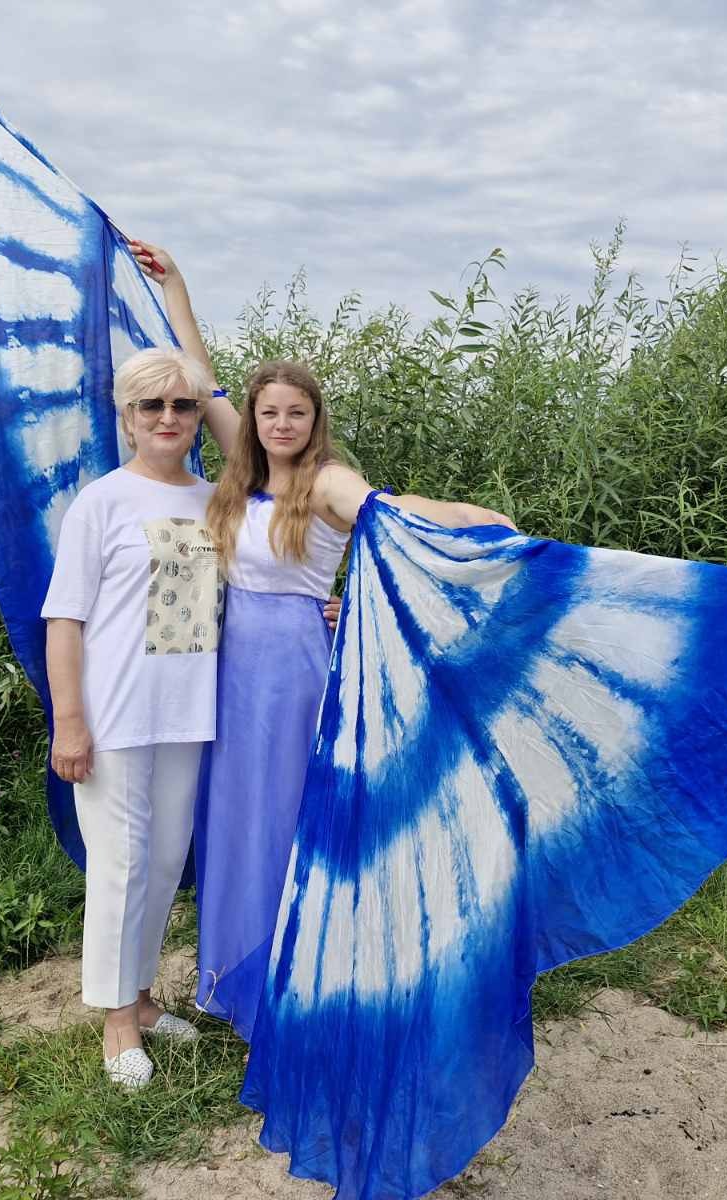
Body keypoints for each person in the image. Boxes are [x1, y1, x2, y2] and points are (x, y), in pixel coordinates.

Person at [128, 240, 514, 1041]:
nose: (280, 424)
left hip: (294, 675)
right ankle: (232, 979)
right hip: (229, 673)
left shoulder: (326, 481)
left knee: (282, 819)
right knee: (231, 819)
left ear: (314, 421)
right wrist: (177, 289)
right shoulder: (245, 470)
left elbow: (399, 513)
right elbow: (201, 374)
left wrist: (484, 523)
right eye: (268, 412)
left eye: (295, 413)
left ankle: (293, 986)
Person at [40, 344, 227, 1090]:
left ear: (197, 417)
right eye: (152, 404)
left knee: (163, 863)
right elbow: (64, 619)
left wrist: (326, 608)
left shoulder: (215, 502)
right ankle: (116, 1022)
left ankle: (144, 1000)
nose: (168, 417)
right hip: (114, 717)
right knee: (119, 865)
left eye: (183, 404)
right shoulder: (102, 503)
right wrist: (70, 722)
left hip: (188, 714)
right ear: (127, 418)